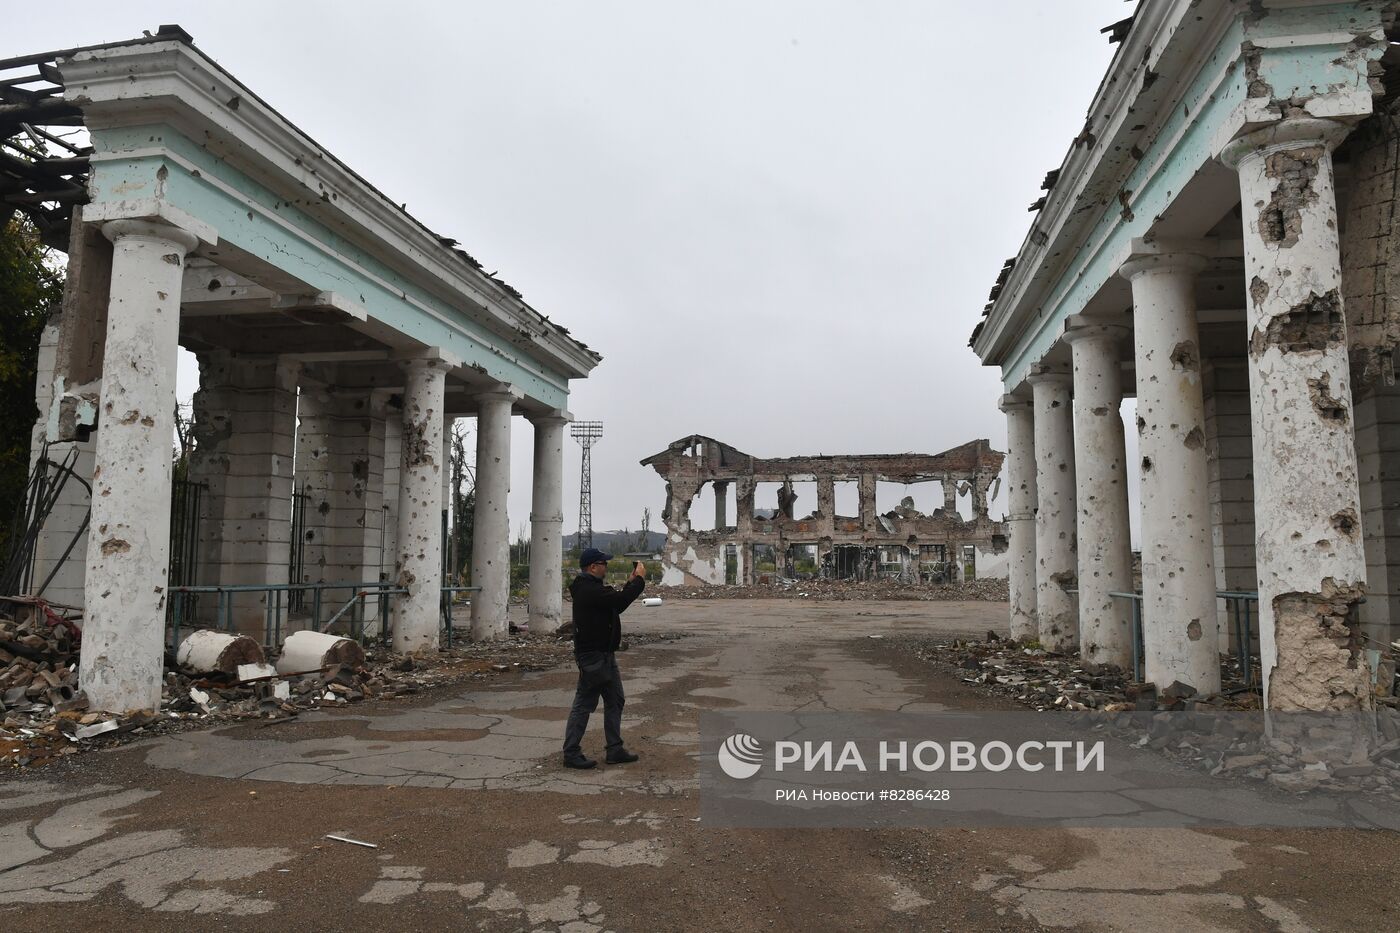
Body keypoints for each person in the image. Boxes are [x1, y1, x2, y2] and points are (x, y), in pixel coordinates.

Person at [562, 547, 646, 769]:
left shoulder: (592, 588)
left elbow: (614, 602)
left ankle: (615, 749)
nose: (606, 567)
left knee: (615, 700)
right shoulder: (588, 590)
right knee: (584, 704)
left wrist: (631, 583)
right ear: (593, 567)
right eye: (604, 564)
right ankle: (571, 752)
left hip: (604, 655)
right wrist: (638, 582)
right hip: (593, 657)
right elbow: (619, 602)